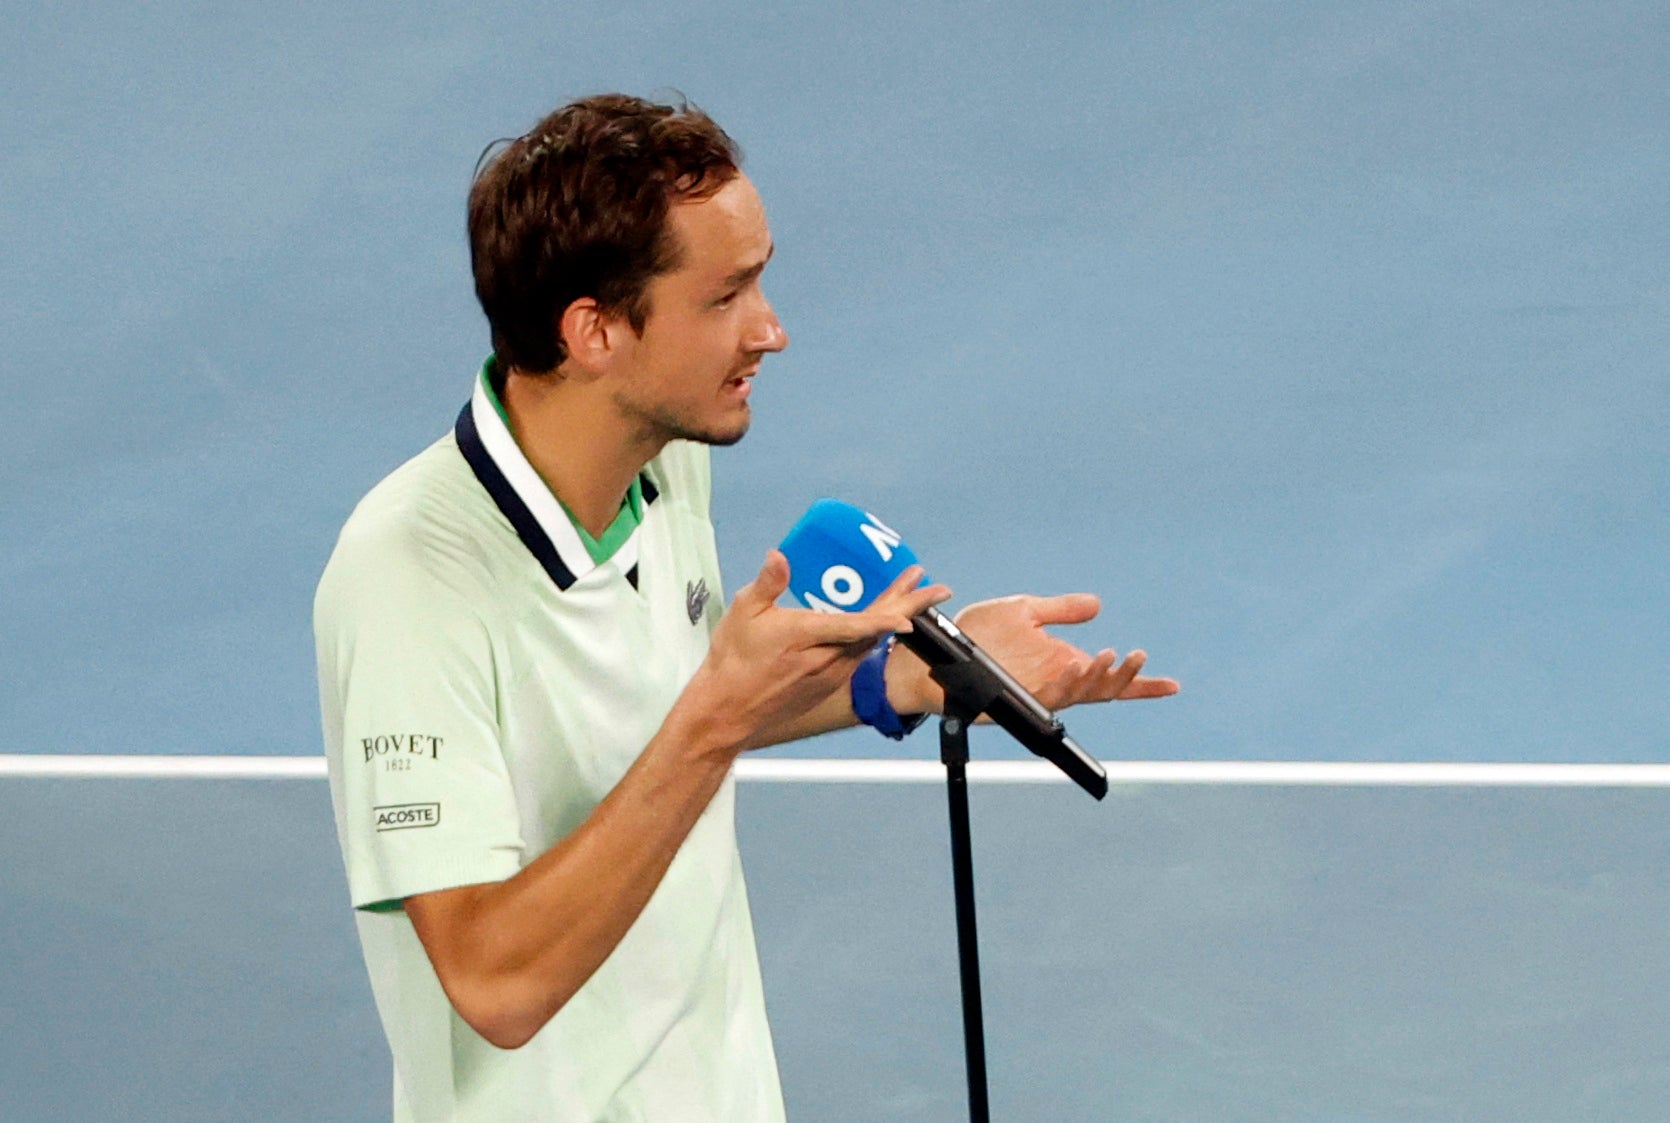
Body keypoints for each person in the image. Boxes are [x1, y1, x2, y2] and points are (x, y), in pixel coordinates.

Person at [314, 92, 1178, 1123]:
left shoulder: (662, 464)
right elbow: (496, 986)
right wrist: (712, 721)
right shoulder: (409, 575)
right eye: (725, 296)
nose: (770, 330)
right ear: (594, 333)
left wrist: (905, 675)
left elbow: (675, 709)